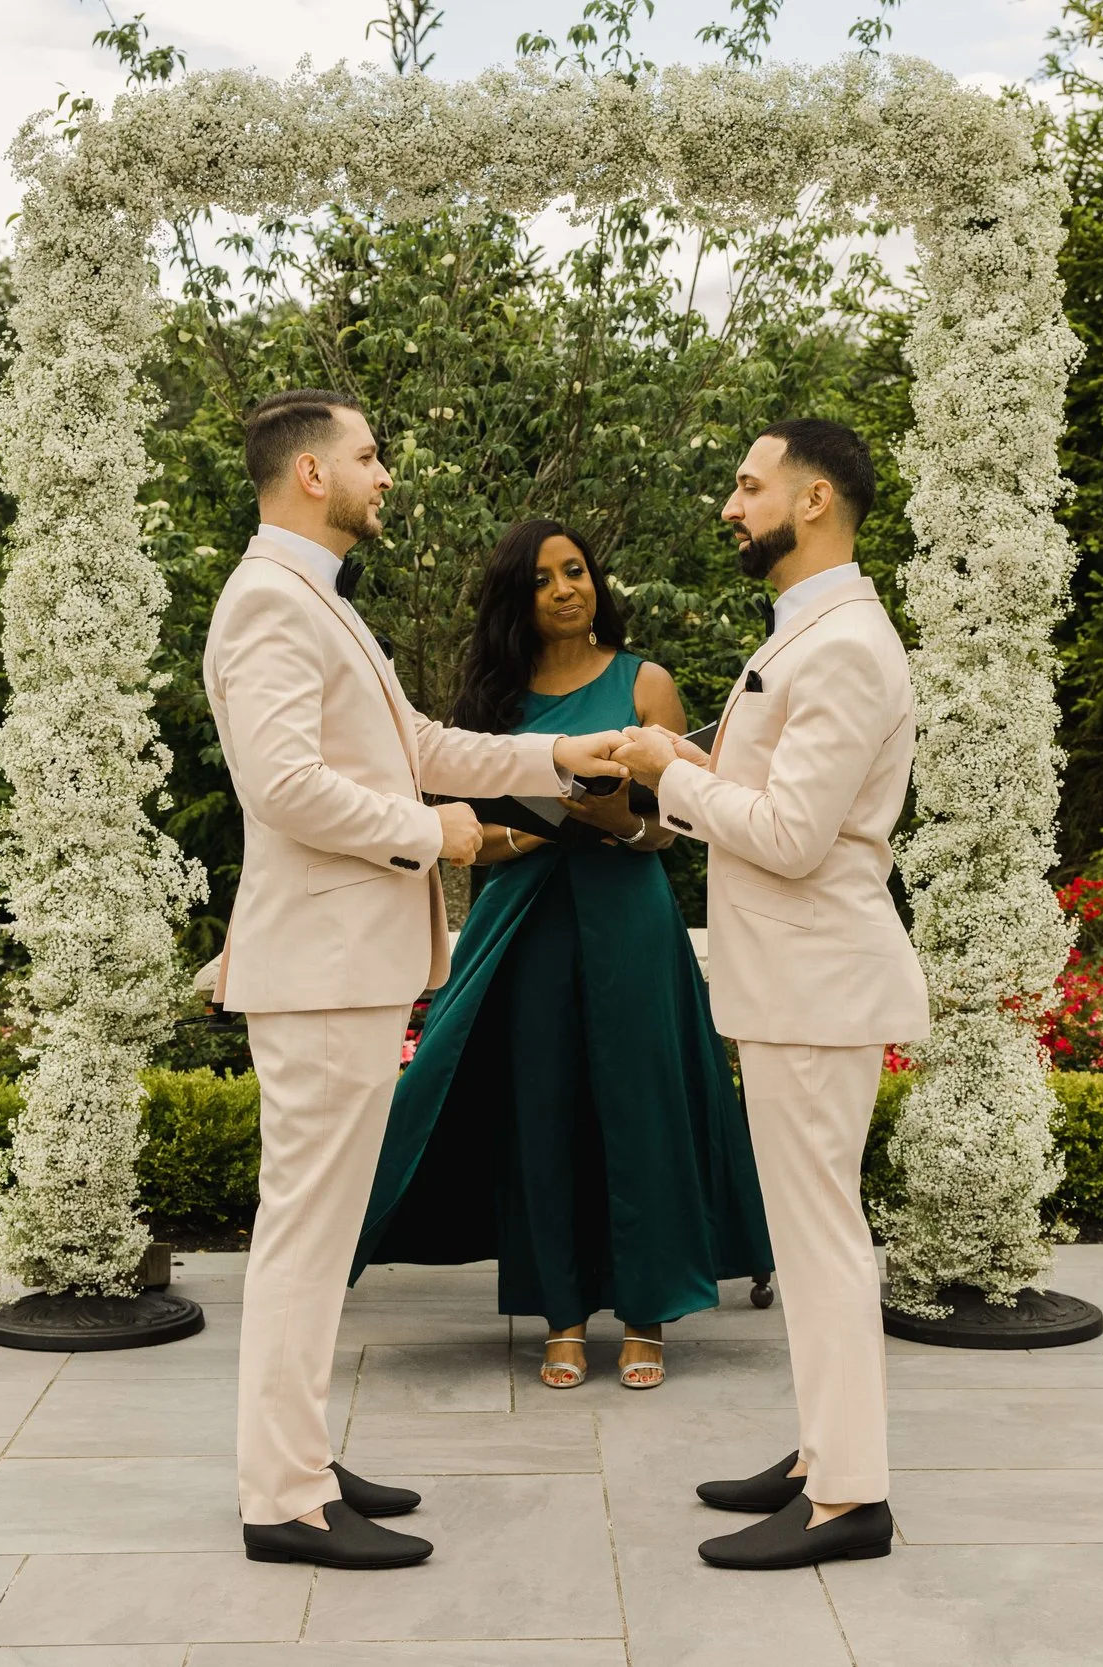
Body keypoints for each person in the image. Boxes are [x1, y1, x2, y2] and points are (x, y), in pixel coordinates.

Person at [203, 390, 627, 1571]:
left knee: (322, 1222)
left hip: (343, 963)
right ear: (307, 475)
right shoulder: (269, 605)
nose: (384, 474)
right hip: (320, 965)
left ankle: (299, 1456)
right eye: (368, 455)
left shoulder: (315, 602)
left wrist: (555, 752)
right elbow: (284, 786)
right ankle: (282, 1497)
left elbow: (422, 742)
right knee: (304, 1231)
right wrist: (434, 834)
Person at [351, 519, 774, 1395]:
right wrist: (522, 831)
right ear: (519, 598)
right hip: (524, 918)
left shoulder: (644, 680)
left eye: (575, 570)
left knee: (641, 1099)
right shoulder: (493, 704)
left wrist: (620, 822)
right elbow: (469, 833)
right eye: (542, 580)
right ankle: (563, 1316)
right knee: (540, 1108)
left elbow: (674, 824)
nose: (565, 589)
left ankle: (649, 1310)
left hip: (627, 914)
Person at [609, 418, 927, 1571]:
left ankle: (849, 1497)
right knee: (808, 1227)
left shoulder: (843, 645)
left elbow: (793, 837)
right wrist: (679, 763)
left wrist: (665, 773)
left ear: (815, 501)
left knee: (820, 1235)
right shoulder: (808, 632)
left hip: (815, 982)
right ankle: (817, 1453)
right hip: (790, 980)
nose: (730, 504)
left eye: (749, 486)